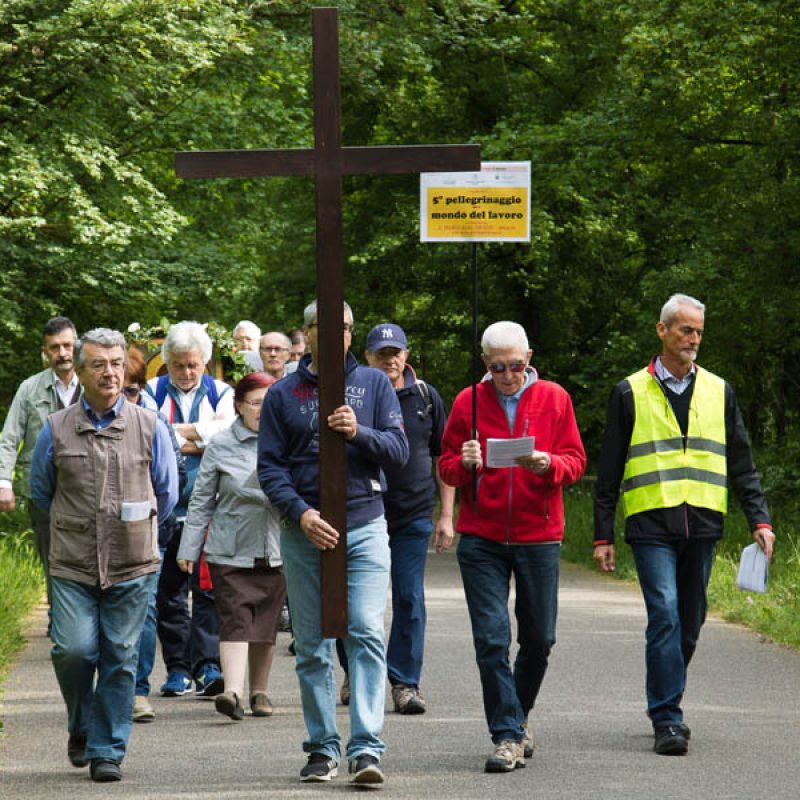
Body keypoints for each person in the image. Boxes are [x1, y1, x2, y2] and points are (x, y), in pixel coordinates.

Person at [592, 293, 775, 756]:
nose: (693, 339)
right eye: (685, 330)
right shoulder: (629, 391)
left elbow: (742, 461)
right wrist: (602, 534)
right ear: (662, 331)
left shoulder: (719, 390)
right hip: (651, 524)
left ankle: (665, 689)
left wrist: (759, 518)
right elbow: (609, 469)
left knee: (690, 623)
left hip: (704, 523)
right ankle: (667, 718)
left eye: (698, 332)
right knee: (666, 615)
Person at [258, 300, 408, 785]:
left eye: (344, 327)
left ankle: (366, 748)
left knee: (365, 630)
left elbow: (399, 451)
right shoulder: (282, 394)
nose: (336, 334)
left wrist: (358, 432)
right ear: (307, 333)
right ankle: (322, 747)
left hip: (364, 525)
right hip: (304, 531)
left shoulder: (374, 384)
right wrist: (301, 514)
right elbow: (270, 468)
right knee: (311, 644)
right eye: (325, 326)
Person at [29, 329, 178, 782]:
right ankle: (81, 725)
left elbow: (167, 493)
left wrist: (139, 531)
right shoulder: (56, 428)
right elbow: (41, 494)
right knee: (73, 651)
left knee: (120, 655)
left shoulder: (149, 425)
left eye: (116, 363)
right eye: (99, 364)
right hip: (72, 563)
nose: (110, 372)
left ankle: (107, 749)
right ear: (80, 370)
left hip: (132, 564)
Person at [439, 321, 586, 773]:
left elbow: (576, 461)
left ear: (529, 359)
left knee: (540, 638)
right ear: (485, 362)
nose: (507, 375)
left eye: (516, 366)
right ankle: (506, 735)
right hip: (481, 537)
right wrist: (465, 464)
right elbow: (446, 466)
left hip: (538, 534)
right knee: (491, 639)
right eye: (498, 367)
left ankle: (517, 717)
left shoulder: (554, 398)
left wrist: (549, 464)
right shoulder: (467, 401)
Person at [177, 372, 286, 721]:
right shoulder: (221, 444)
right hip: (229, 548)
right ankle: (233, 692)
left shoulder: (286, 439)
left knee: (265, 623)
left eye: (269, 403)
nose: (263, 410)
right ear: (238, 405)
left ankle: (260, 692)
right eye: (256, 403)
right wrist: (188, 549)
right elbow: (201, 500)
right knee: (235, 619)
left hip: (276, 546)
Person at [363, 322, 455, 715]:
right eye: (382, 354)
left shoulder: (426, 397)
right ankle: (356, 672)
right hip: (362, 512)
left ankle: (404, 683)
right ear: (367, 357)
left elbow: (443, 458)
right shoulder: (356, 394)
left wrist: (446, 514)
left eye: (396, 353)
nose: (390, 360)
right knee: (356, 601)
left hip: (413, 514)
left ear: (406, 355)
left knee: (409, 597)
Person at [145, 321, 235, 699]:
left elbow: (226, 436)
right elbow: (151, 435)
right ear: (167, 362)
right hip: (165, 508)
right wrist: (202, 434)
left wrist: (174, 434)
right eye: (178, 365)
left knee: (209, 590)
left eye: (193, 365)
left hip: (211, 507)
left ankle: (208, 665)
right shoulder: (152, 390)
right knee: (169, 592)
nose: (185, 372)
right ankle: (178, 669)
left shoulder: (223, 392)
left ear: (205, 362)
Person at [122, 348, 186, 723]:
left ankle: (136, 690)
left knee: (144, 608)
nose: (124, 397)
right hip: (93, 535)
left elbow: (171, 483)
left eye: (132, 390)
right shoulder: (73, 421)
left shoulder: (154, 421)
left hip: (147, 533)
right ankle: (110, 685)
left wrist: (152, 524)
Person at [0, 316, 80, 609]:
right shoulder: (29, 389)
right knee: (50, 557)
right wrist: (3, 482)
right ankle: (57, 617)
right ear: (45, 352)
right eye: (55, 347)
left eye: (67, 345)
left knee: (84, 557)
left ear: (77, 345)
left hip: (86, 489)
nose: (63, 353)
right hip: (43, 490)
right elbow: (9, 438)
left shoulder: (94, 385)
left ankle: (81, 618)